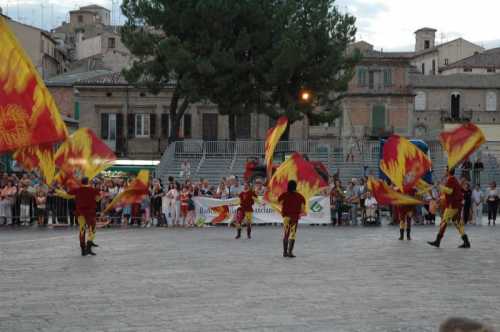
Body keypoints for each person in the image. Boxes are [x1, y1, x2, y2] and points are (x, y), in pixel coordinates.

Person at [428, 168, 471, 248]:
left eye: (445, 170)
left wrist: (440, 186)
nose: (444, 171)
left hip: (452, 206)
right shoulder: (453, 179)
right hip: (456, 205)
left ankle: (437, 241)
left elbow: (450, 191)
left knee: (444, 222)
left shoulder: (451, 180)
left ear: (448, 171)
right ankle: (466, 242)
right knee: (458, 223)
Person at [67, 177, 102, 256]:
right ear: (88, 182)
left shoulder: (77, 189)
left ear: (81, 182)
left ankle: (83, 249)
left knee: (82, 229)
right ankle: (88, 247)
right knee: (91, 229)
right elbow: (98, 199)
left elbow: (68, 194)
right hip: (90, 213)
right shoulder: (93, 190)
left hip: (80, 213)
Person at [278, 180, 306, 258]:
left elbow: (278, 203)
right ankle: (290, 252)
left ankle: (284, 252)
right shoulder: (300, 196)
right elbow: (303, 209)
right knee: (292, 235)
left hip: (286, 217)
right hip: (294, 218)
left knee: (286, 234)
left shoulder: (284, 195)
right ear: (295, 187)